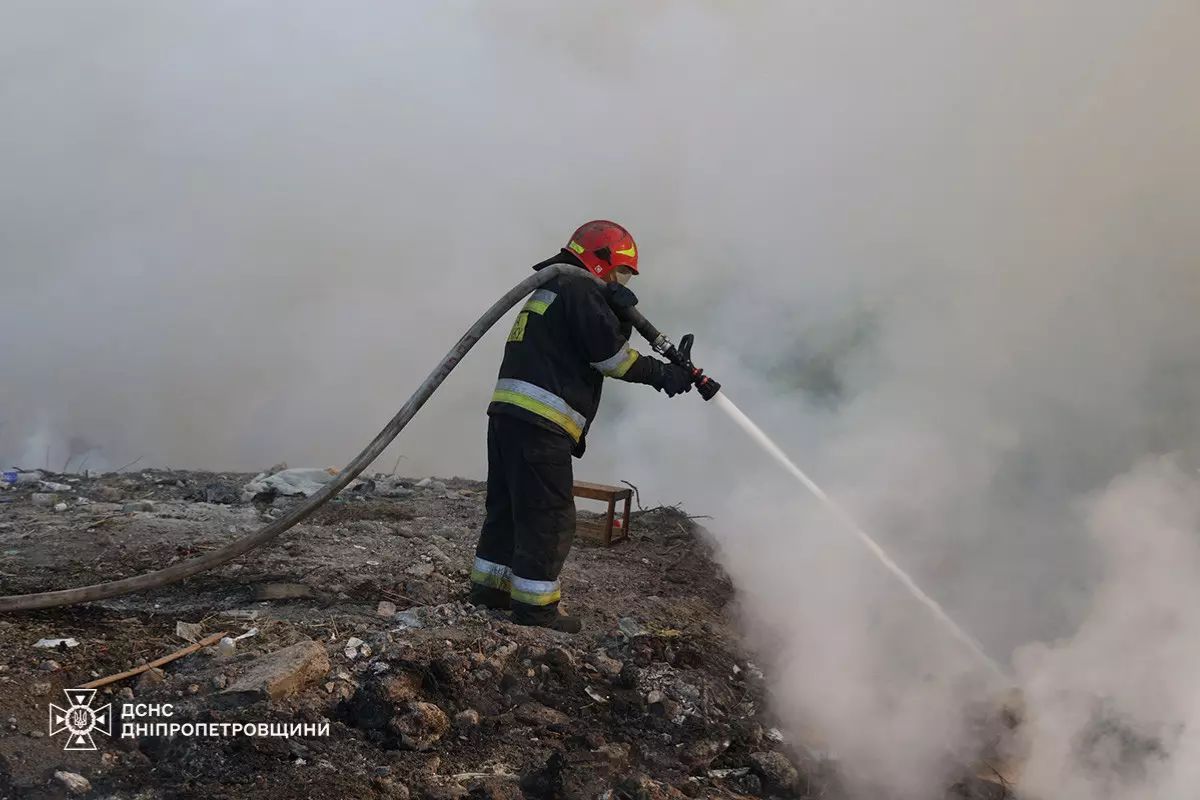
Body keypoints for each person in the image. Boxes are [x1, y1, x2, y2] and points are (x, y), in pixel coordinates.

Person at [468, 220, 694, 632]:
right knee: (549, 515)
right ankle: (536, 608)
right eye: (621, 270)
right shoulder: (580, 288)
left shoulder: (553, 288)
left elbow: (588, 343)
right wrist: (666, 376)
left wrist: (616, 314)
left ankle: (490, 587)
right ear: (600, 260)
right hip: (541, 424)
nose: (622, 279)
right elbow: (612, 359)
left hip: (507, 417)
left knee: (508, 508)